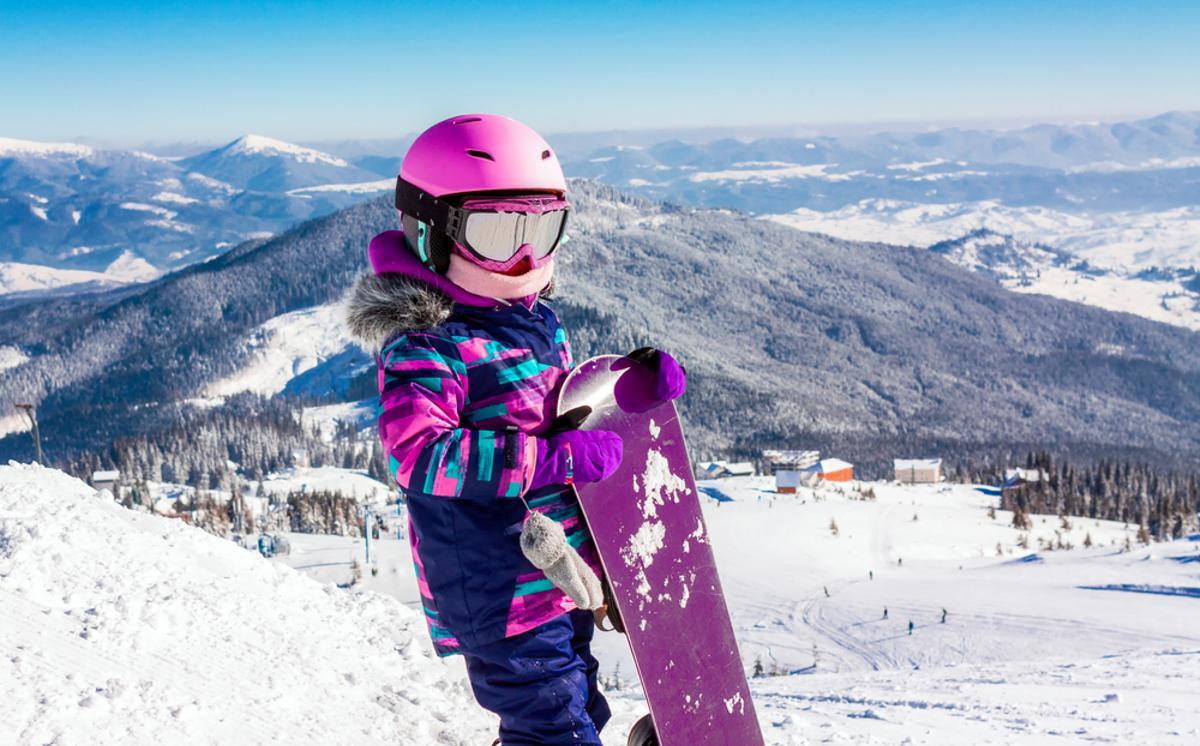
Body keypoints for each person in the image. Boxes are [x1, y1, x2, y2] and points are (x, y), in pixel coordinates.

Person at [346, 114, 686, 746]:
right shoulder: (427, 346)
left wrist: (629, 397)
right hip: (497, 590)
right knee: (552, 727)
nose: (526, 256)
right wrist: (549, 460)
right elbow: (420, 455)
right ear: (430, 234)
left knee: (577, 704)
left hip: (558, 571)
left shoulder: (534, 320)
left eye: (542, 228)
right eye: (498, 232)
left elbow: (557, 413)